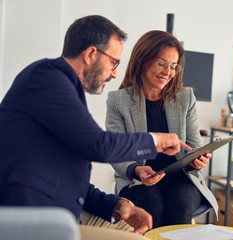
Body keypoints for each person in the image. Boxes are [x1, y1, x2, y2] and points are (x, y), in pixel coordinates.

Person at [0, 15, 191, 236]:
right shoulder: (46, 78)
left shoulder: (61, 87)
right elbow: (99, 145)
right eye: (113, 62)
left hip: (61, 210)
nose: (115, 73)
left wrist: (117, 205)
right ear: (91, 54)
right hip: (32, 218)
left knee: (139, 229)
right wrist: (156, 140)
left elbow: (70, 178)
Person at [106, 30, 218, 228]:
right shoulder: (118, 101)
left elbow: (192, 146)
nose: (168, 72)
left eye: (173, 66)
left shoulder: (185, 98)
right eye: (161, 63)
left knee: (180, 204)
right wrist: (137, 170)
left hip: (180, 178)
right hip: (138, 180)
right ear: (142, 60)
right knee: (152, 206)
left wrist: (197, 161)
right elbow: (116, 152)